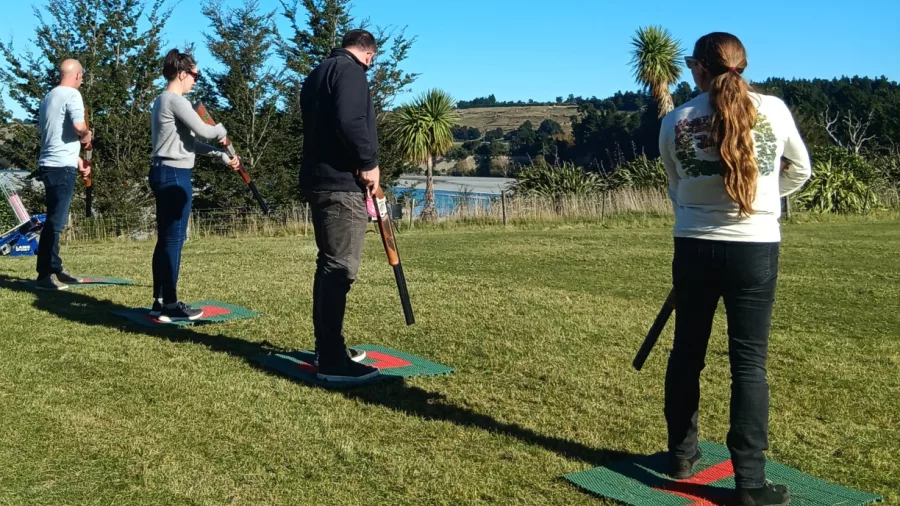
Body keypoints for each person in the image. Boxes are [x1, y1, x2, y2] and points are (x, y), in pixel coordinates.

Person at [658, 32, 811, 506]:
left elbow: (676, 184)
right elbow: (800, 170)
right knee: (749, 364)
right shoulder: (775, 109)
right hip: (755, 248)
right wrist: (761, 195)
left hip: (694, 246)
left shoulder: (676, 120)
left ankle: (681, 455)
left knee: (687, 353)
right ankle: (749, 483)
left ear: (701, 69)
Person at [299, 29, 382, 383]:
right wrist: (368, 162)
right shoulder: (351, 72)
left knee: (329, 265)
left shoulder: (317, 72)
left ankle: (327, 346)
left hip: (318, 179)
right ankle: (332, 357)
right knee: (340, 269)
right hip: (341, 184)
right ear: (368, 54)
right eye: (372, 63)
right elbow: (351, 121)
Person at [149, 49, 239, 322]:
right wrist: (222, 131)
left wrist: (220, 155)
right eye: (195, 74)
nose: (197, 80)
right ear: (182, 72)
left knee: (165, 239)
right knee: (175, 240)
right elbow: (206, 131)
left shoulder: (161, 100)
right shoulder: (175, 101)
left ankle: (160, 300)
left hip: (164, 172)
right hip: (176, 176)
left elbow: (189, 143)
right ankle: (172, 304)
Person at [34, 59, 93, 290]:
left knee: (53, 219)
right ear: (77, 75)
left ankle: (55, 267)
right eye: (82, 76)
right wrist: (87, 136)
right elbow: (79, 127)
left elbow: (55, 135)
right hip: (61, 168)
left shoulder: (49, 97)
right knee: (55, 223)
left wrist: (77, 159)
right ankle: (44, 275)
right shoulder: (73, 95)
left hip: (51, 164)